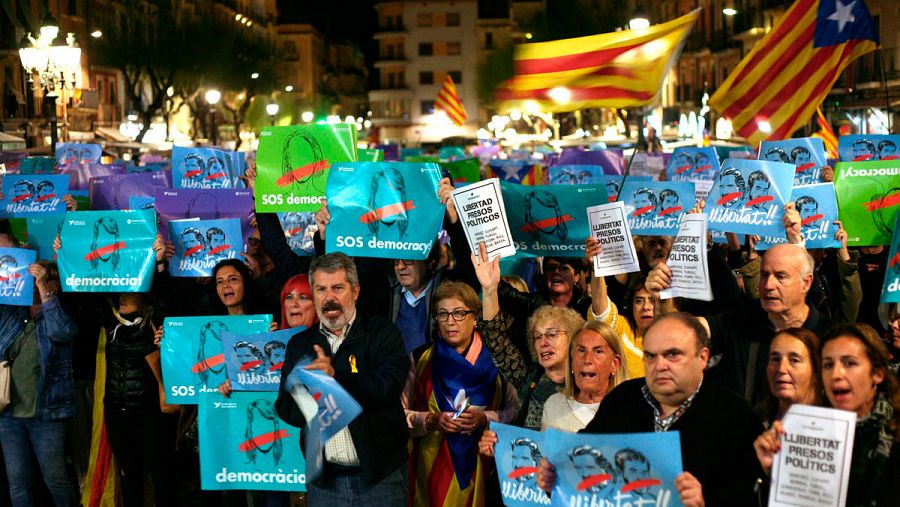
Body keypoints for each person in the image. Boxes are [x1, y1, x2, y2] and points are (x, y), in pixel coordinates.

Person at [537, 313, 764, 506]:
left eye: (672, 354)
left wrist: (707, 500)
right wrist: (555, 478)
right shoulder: (622, 399)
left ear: (703, 357)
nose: (660, 365)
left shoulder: (735, 414)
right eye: (650, 356)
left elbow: (756, 496)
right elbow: (583, 462)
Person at [275, 253, 408, 506]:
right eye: (321, 289)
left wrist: (335, 379)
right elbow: (286, 409)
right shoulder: (300, 345)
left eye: (337, 288)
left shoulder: (382, 333)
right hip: (326, 483)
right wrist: (310, 391)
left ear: (355, 291)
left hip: (381, 479)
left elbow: (387, 388)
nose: (329, 298)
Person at [647, 243, 832, 405]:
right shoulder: (741, 320)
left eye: (781, 276)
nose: (768, 285)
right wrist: (662, 297)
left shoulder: (829, 337)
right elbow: (679, 333)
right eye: (764, 275)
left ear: (806, 283)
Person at [754, 323, 900, 506]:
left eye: (849, 363)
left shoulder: (892, 437)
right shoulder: (810, 434)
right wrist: (775, 474)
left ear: (877, 373)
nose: (836, 374)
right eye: (828, 365)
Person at [402, 281, 519, 506]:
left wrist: (484, 419)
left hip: (487, 466)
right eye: (443, 314)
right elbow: (400, 415)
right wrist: (430, 420)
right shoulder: (419, 358)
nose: (450, 321)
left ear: (475, 318)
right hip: (430, 470)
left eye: (459, 313)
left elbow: (517, 412)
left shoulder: (500, 359)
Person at [0, 261, 80, 507]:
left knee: (56, 480)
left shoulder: (58, 314)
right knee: (18, 483)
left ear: (54, 285)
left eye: (40, 282)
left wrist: (45, 290)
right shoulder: (13, 314)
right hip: (9, 415)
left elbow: (61, 333)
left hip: (47, 414)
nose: (33, 286)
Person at [541, 320, 625, 432]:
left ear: (614, 364)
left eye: (598, 351)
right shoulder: (554, 406)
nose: (587, 359)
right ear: (571, 361)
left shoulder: (629, 411)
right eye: (581, 350)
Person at [762, 327, 822, 423]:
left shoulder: (836, 426)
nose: (781, 369)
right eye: (775, 359)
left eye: (794, 360)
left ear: (816, 373)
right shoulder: (753, 424)